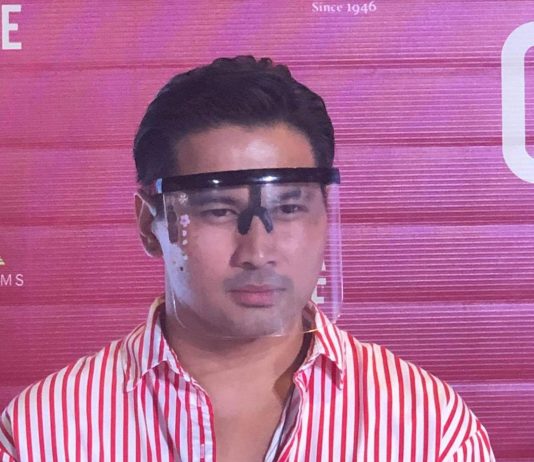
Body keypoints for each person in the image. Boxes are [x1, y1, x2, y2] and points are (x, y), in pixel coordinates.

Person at [0, 55, 494, 461]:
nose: (258, 251)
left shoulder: (428, 427)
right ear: (151, 224)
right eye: (218, 210)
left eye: (289, 208)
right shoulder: (45, 432)